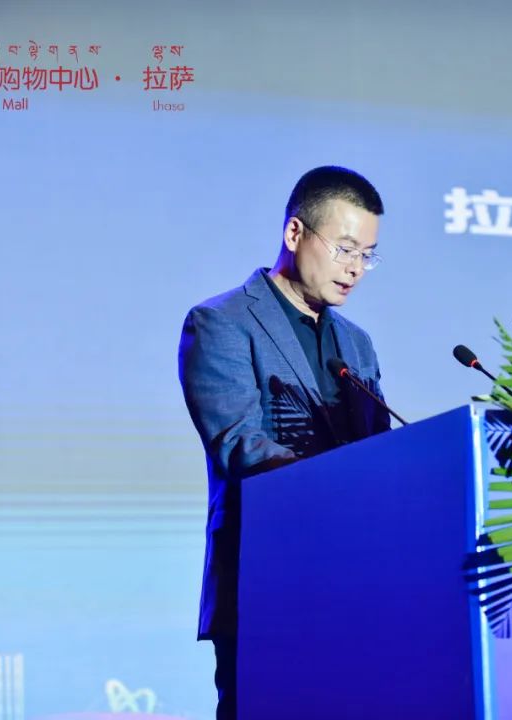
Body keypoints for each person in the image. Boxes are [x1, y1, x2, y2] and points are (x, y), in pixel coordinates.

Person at [177, 165, 392, 720]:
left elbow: (381, 453)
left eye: (367, 256)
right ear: (296, 233)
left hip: (357, 584)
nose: (356, 269)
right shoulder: (221, 323)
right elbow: (240, 446)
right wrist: (341, 482)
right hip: (267, 580)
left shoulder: (357, 345)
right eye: (345, 249)